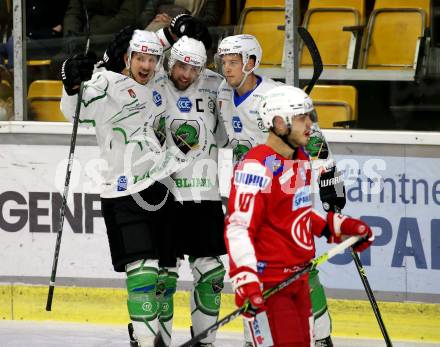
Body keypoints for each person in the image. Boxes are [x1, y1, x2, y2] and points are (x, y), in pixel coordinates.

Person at [216, 34, 345, 346]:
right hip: (249, 188)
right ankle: (255, 336)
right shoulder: (223, 92)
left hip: (285, 187)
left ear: (251, 63)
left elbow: (314, 138)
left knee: (297, 266)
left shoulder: (275, 95)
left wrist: (330, 184)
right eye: (224, 62)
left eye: (233, 62)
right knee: (250, 266)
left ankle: (322, 335)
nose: (227, 69)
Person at [225, 85, 374, 347]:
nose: (310, 123)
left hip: (299, 280)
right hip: (270, 284)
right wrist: (245, 281)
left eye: (309, 115)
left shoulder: (300, 159)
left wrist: (341, 227)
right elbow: (238, 228)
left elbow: (298, 215)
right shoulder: (256, 166)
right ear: (279, 122)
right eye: (301, 117)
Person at [60, 29, 181, 347]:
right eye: (139, 58)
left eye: (152, 59)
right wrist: (71, 83)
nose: (145, 64)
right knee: (143, 273)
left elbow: (150, 41)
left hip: (163, 186)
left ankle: (162, 342)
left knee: (165, 279)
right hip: (123, 192)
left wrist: (171, 31)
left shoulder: (158, 82)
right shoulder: (105, 83)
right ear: (127, 59)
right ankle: (144, 340)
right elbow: (73, 111)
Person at [162, 35, 227, 347]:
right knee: (160, 277)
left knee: (211, 275)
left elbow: (229, 137)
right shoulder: (150, 81)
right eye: (181, 65)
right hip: (161, 198)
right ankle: (154, 342)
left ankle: (204, 342)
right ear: (170, 59)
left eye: (194, 68)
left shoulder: (217, 85)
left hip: (204, 196)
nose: (186, 74)